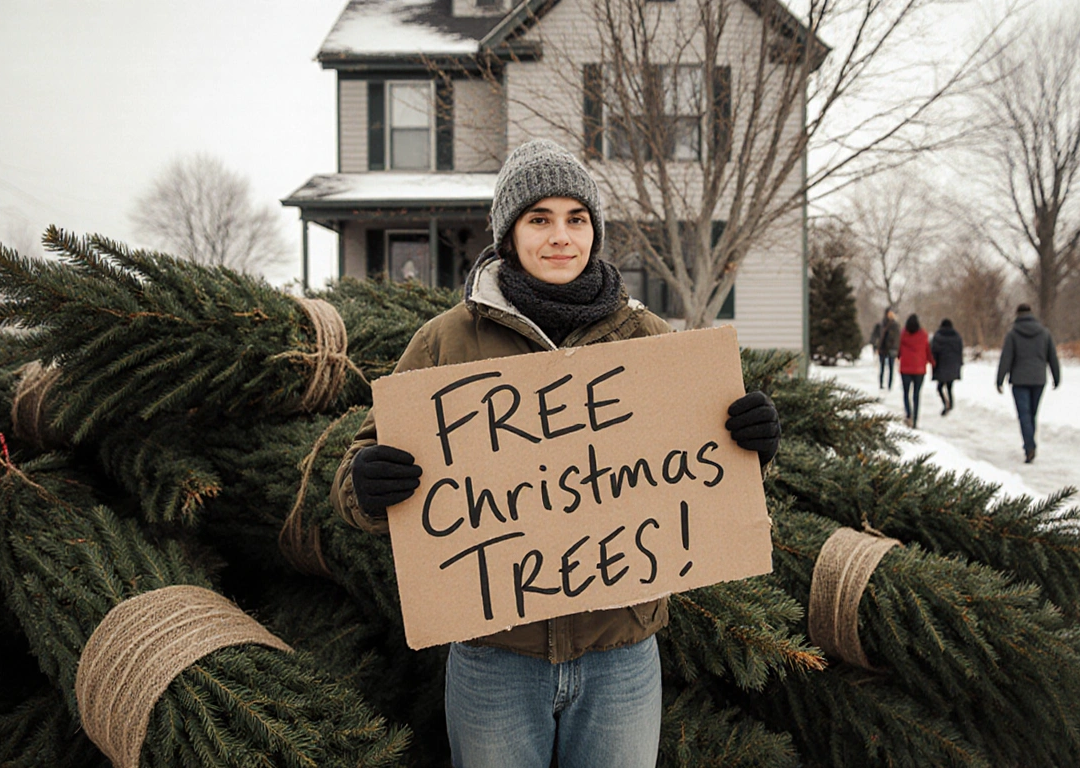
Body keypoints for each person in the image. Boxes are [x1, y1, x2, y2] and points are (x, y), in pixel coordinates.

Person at [329, 140, 782, 768]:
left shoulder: (648, 339)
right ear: (508, 233)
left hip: (620, 655)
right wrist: (366, 483)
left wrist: (750, 447)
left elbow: (701, 469)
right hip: (494, 659)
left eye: (576, 218)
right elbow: (359, 472)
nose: (560, 236)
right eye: (539, 219)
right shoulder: (446, 341)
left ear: (594, 231)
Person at [995, 303, 1060, 463]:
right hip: (1039, 379)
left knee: (1024, 415)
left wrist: (1000, 379)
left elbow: (1006, 358)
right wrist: (1056, 376)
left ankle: (1029, 446)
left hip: (1019, 380)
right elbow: (1052, 356)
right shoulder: (1044, 333)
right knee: (1032, 414)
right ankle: (1030, 444)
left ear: (1017, 315)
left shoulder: (1012, 335)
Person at [898, 313, 933, 428]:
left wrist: (899, 356)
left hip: (905, 368)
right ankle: (916, 419)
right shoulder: (923, 335)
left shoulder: (903, 335)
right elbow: (927, 350)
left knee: (906, 393)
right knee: (916, 395)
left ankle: (909, 415)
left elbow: (899, 349)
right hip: (919, 369)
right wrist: (932, 362)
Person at [930, 318, 963, 416]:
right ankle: (951, 404)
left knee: (940, 387)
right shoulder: (957, 337)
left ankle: (946, 404)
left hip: (941, 365)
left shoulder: (937, 337)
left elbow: (933, 351)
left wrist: (934, 365)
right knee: (949, 386)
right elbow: (960, 351)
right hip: (953, 365)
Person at [870, 307, 900, 391]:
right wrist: (875, 345)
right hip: (882, 348)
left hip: (891, 349)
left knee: (891, 368)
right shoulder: (881, 324)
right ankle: (881, 384)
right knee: (882, 367)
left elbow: (898, 338)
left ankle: (889, 385)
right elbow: (875, 335)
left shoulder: (895, 325)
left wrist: (896, 348)